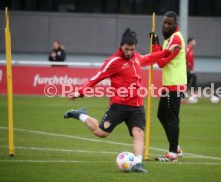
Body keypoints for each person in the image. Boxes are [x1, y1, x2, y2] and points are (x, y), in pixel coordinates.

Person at [63, 28, 180, 172]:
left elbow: (150, 58)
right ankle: (79, 114)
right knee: (101, 133)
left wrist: (168, 51)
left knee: (138, 132)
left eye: (132, 49)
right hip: (118, 105)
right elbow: (96, 77)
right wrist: (80, 92)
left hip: (137, 105)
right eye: (126, 49)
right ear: (121, 46)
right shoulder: (113, 61)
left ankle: (138, 163)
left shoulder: (136, 57)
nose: (129, 52)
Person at [151, 11, 187, 162]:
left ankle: (172, 154)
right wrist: (157, 43)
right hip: (169, 84)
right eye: (164, 22)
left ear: (175, 24)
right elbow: (162, 56)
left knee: (172, 119)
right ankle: (176, 147)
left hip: (175, 83)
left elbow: (161, 62)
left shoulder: (176, 39)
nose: (165, 25)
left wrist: (154, 46)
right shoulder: (169, 38)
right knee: (161, 115)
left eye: (169, 23)